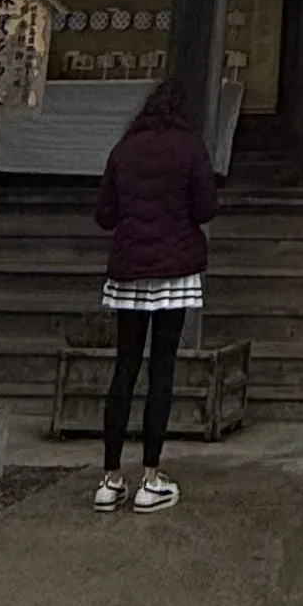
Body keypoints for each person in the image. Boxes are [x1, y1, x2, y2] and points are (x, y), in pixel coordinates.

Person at [92, 75, 220, 511]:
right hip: (174, 269)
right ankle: (150, 477)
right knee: (162, 369)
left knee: (124, 369)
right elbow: (206, 208)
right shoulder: (190, 148)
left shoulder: (124, 150)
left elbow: (105, 214)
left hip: (129, 270)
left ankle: (110, 478)